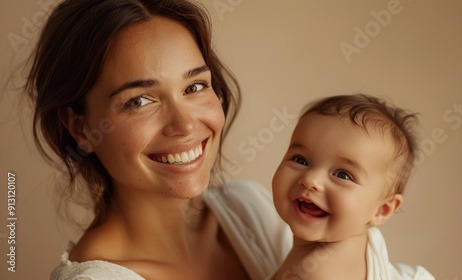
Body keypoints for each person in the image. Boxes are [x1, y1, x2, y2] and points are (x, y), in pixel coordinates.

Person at [25, 0, 291, 279]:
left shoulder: (247, 206)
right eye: (138, 101)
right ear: (80, 129)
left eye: (195, 86)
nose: (185, 124)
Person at [270, 94, 434, 279]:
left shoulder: (317, 274)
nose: (311, 180)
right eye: (300, 160)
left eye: (343, 175)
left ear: (381, 209)